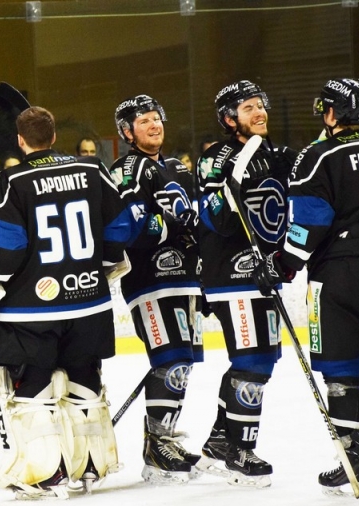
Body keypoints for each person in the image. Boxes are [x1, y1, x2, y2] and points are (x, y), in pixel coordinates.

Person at [0, 106, 131, 499]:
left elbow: (3, 248)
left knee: (34, 389)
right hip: (89, 305)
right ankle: (91, 467)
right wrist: (105, 266)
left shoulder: (10, 181)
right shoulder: (93, 172)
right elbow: (121, 227)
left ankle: (49, 473)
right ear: (55, 136)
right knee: (86, 384)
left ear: (21, 141)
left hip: (31, 310)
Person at [252, 78, 359, 498]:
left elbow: (310, 224)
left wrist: (280, 266)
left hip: (339, 276)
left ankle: (354, 463)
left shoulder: (317, 156)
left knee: (342, 377)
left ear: (334, 112)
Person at [194, 80, 297, 487]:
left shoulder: (278, 155)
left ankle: (222, 437)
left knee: (263, 360)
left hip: (264, 274)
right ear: (228, 118)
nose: (259, 112)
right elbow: (216, 218)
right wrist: (235, 175)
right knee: (253, 359)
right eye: (248, 107)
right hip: (232, 275)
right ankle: (240, 448)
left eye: (261, 105)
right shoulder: (214, 159)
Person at [110, 95, 204, 484]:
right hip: (150, 280)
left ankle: (162, 437)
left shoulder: (176, 168)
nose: (154, 125)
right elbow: (129, 227)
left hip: (185, 278)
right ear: (127, 132)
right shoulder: (125, 169)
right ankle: (156, 445)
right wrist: (170, 227)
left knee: (181, 363)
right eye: (144, 120)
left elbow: (194, 218)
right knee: (169, 358)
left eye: (157, 119)